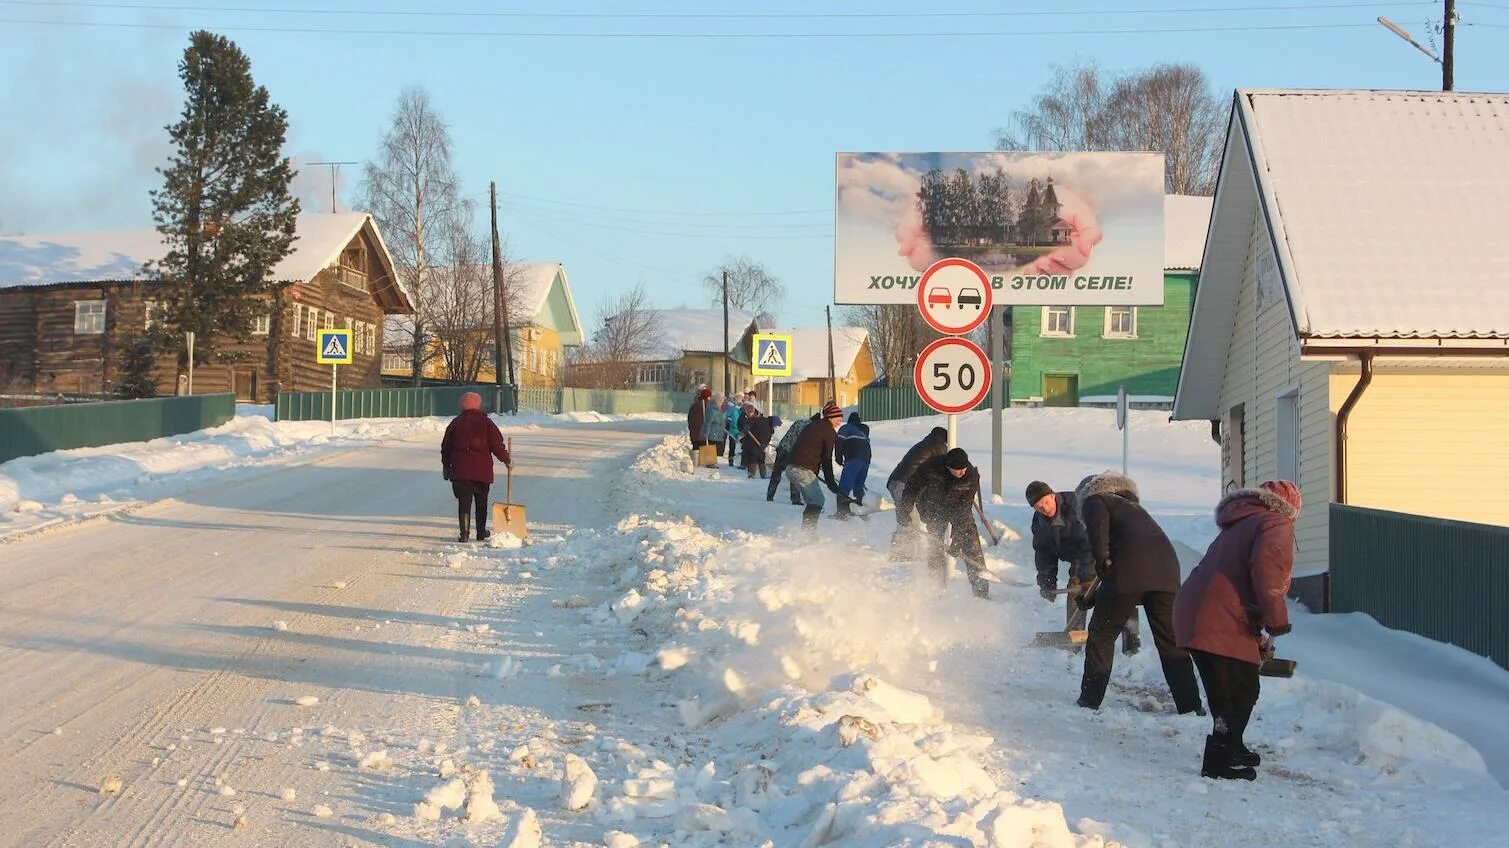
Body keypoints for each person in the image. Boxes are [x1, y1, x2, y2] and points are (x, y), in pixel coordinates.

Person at [1174, 480, 1301, 781]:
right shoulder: (1275, 522)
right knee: (1238, 691)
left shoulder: (1242, 522)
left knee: (1230, 687)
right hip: (1218, 616)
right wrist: (1276, 619)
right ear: (1290, 506)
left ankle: (1231, 746)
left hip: (1201, 612)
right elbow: (1266, 570)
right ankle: (1219, 760)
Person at [1074, 470, 1202, 715]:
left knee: (1101, 635)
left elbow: (1109, 554)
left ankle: (1089, 701)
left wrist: (1100, 559)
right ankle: (1191, 706)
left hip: (1129, 573)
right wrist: (1095, 595)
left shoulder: (1095, 499)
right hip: (1166, 572)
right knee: (1171, 642)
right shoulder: (1133, 509)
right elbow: (1132, 556)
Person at [1028, 480, 1141, 651]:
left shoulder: (1075, 507)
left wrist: (1084, 575)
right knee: (1077, 590)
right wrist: (1046, 581)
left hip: (1106, 549)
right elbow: (1043, 552)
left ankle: (1132, 642)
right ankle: (1074, 639)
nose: (1044, 508)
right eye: (1038, 506)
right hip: (1079, 554)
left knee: (1117, 590)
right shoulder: (1040, 522)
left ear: (1053, 495)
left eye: (1045, 502)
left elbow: (1088, 543)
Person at [898, 448, 990, 598]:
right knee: (936, 546)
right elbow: (911, 488)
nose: (962, 472)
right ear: (948, 467)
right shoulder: (930, 468)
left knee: (971, 546)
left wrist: (958, 539)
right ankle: (937, 588)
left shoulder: (971, 476)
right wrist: (904, 510)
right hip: (932, 508)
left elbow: (965, 507)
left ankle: (981, 592)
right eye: (957, 470)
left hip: (959, 509)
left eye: (964, 468)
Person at [440, 392, 511, 543]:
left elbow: (445, 447)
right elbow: (496, 445)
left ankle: (464, 533)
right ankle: (480, 532)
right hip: (481, 471)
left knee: (463, 503)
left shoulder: (455, 423)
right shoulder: (486, 423)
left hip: (460, 471)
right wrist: (506, 459)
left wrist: (446, 466)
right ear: (478, 405)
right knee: (481, 502)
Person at [886, 427, 949, 556]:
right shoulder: (938, 446)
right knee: (908, 518)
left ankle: (905, 552)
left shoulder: (925, 444)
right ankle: (902, 553)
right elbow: (945, 468)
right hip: (903, 484)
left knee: (907, 517)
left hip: (897, 481)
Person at [786, 402, 844, 532]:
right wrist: (830, 482)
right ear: (831, 417)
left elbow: (811, 449)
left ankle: (807, 532)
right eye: (838, 419)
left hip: (792, 467)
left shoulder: (813, 426)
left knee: (814, 502)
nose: (839, 422)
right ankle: (808, 534)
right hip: (802, 469)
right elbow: (826, 458)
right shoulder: (828, 431)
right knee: (817, 501)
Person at [768, 412, 818, 504]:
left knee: (776, 473)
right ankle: (795, 499)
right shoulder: (810, 428)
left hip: (782, 448)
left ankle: (770, 495)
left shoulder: (799, 422)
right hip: (792, 453)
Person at [834, 412, 871, 518]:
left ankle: (841, 512)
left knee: (845, 484)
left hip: (854, 457)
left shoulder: (846, 428)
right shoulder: (863, 432)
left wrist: (838, 458)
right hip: (867, 459)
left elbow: (839, 441)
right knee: (858, 484)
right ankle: (861, 506)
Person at [739, 403, 774, 479]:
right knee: (755, 458)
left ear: (753, 411)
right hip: (753, 442)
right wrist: (746, 430)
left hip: (757, 442)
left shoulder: (755, 419)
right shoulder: (750, 419)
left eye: (750, 412)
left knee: (758, 459)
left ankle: (761, 474)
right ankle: (754, 474)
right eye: (748, 412)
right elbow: (746, 429)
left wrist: (764, 443)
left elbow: (762, 432)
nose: (749, 414)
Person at [702, 393, 728, 458]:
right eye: (721, 400)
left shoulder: (718, 409)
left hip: (718, 433)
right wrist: (706, 433)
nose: (722, 402)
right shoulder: (713, 409)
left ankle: (712, 462)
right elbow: (708, 422)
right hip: (712, 433)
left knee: (717, 451)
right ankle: (709, 462)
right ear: (717, 400)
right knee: (711, 448)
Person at [686, 386, 711, 452]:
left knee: (696, 455)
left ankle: (696, 462)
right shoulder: (709, 406)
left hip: (694, 435)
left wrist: (692, 430)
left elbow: (689, 419)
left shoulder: (694, 405)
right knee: (706, 458)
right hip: (706, 436)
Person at [723, 400, 743, 467]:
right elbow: (724, 416)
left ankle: (742, 462)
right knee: (732, 446)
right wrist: (728, 420)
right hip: (733, 431)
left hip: (742, 432)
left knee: (743, 447)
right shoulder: (733, 410)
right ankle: (731, 460)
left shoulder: (744, 413)